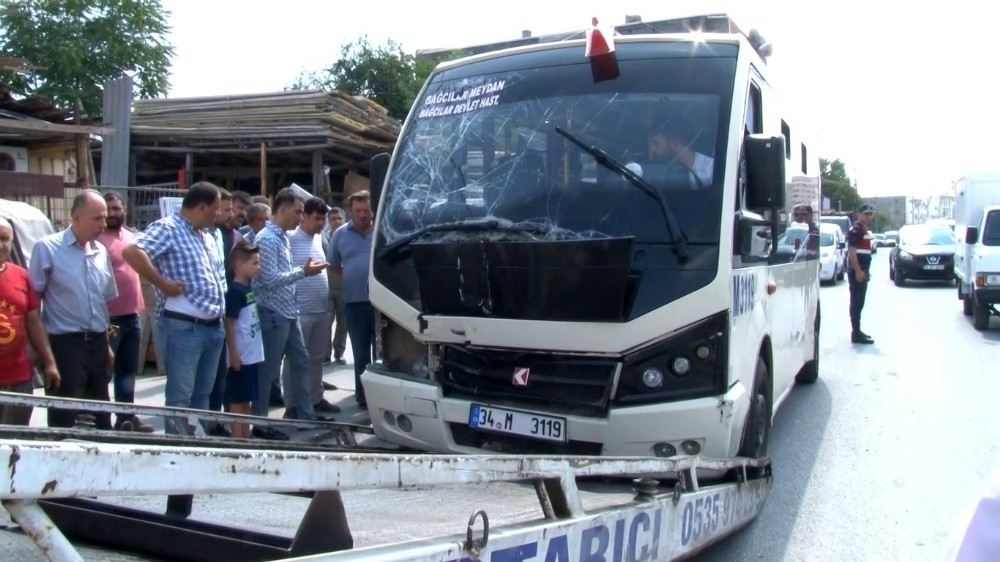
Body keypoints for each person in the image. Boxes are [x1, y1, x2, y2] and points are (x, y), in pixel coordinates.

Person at [123, 182, 227, 434]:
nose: (218, 214)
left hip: (212, 326)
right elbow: (132, 252)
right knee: (181, 396)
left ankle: (196, 447)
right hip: (184, 326)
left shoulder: (205, 235)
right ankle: (177, 448)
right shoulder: (168, 228)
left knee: (202, 394)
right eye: (215, 209)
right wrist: (163, 284)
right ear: (202, 207)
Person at [29, 189, 118, 429]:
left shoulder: (100, 252)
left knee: (100, 412)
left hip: (97, 342)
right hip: (64, 343)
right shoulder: (47, 248)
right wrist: (43, 353)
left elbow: (102, 302)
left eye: (105, 217)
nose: (104, 223)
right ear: (76, 217)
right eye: (97, 218)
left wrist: (106, 343)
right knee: (65, 414)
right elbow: (32, 305)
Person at [252, 187, 328, 422]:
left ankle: (305, 415)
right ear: (282, 210)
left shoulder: (282, 237)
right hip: (273, 314)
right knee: (269, 372)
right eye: (297, 212)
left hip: (288, 312)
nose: (300, 217)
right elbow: (269, 279)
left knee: (301, 362)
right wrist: (302, 272)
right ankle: (260, 422)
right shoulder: (266, 239)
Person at [97, 192, 153, 432]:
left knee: (128, 370)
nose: (112, 214)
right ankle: (102, 420)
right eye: (107, 209)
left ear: (124, 211)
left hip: (133, 315)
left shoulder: (130, 237)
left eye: (116, 209)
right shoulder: (97, 240)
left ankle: (126, 418)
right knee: (105, 370)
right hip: (111, 318)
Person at [0, 217, 60, 425]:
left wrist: (49, 362)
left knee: (16, 440)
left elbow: (33, 322)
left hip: (18, 378)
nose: (1, 245)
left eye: (5, 239)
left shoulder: (21, 276)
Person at [288, 196, 341, 414]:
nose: (321, 224)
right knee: (296, 361)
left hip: (321, 309)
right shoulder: (290, 237)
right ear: (305, 217)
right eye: (317, 219)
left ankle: (316, 398)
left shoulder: (319, 239)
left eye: (323, 220)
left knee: (317, 359)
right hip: (301, 310)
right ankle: (292, 404)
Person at [223, 241, 280, 439]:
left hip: (253, 354)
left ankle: (245, 437)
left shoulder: (247, 289)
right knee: (238, 401)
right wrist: (234, 354)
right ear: (239, 265)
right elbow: (229, 323)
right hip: (242, 357)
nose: (259, 267)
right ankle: (237, 438)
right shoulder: (235, 292)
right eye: (255, 263)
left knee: (247, 399)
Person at [327, 190, 375, 408]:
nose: (363, 215)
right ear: (350, 211)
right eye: (358, 211)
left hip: (384, 303)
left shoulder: (382, 229)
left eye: (366, 210)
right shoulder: (340, 235)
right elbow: (335, 266)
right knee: (360, 351)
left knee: (386, 353)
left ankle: (384, 396)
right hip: (355, 303)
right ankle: (363, 396)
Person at [206, 189, 245, 435]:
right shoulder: (210, 235)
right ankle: (209, 421)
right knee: (210, 376)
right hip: (211, 314)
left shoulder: (234, 237)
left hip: (229, 310)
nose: (232, 214)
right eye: (227, 209)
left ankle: (218, 419)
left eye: (232, 209)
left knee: (223, 372)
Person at [647, 121, 714, 187]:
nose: (652, 149)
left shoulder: (710, 167)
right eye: (650, 145)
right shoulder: (663, 171)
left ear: (674, 143)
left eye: (656, 143)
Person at [322, 206, 348, 366]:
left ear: (344, 219)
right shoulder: (323, 239)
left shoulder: (349, 237)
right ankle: (325, 355)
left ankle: (339, 353)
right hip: (327, 287)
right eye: (333, 219)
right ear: (328, 222)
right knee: (326, 322)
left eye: (339, 218)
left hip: (345, 287)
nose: (336, 222)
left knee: (343, 323)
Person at [847, 204, 876, 344]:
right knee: (856, 302)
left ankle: (857, 331)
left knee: (860, 302)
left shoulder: (864, 230)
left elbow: (865, 253)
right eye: (865, 213)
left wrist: (866, 271)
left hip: (862, 271)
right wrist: (858, 270)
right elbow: (852, 252)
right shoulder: (856, 230)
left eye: (870, 214)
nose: (868, 216)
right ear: (859, 214)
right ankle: (856, 332)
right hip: (856, 272)